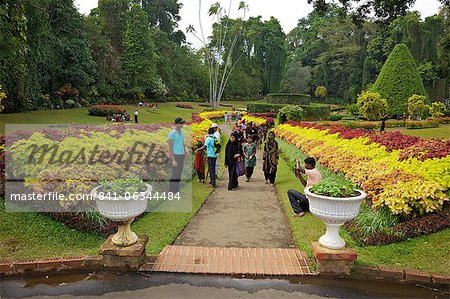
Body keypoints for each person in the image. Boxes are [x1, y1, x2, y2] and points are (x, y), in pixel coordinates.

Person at [168, 117, 186, 193]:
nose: (182, 125)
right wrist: (173, 160)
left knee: (179, 173)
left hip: (181, 155)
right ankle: (171, 191)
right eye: (180, 123)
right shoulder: (172, 134)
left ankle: (176, 189)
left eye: (182, 123)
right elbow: (170, 147)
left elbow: (183, 144)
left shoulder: (182, 133)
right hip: (175, 155)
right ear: (176, 124)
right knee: (175, 174)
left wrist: (184, 153)